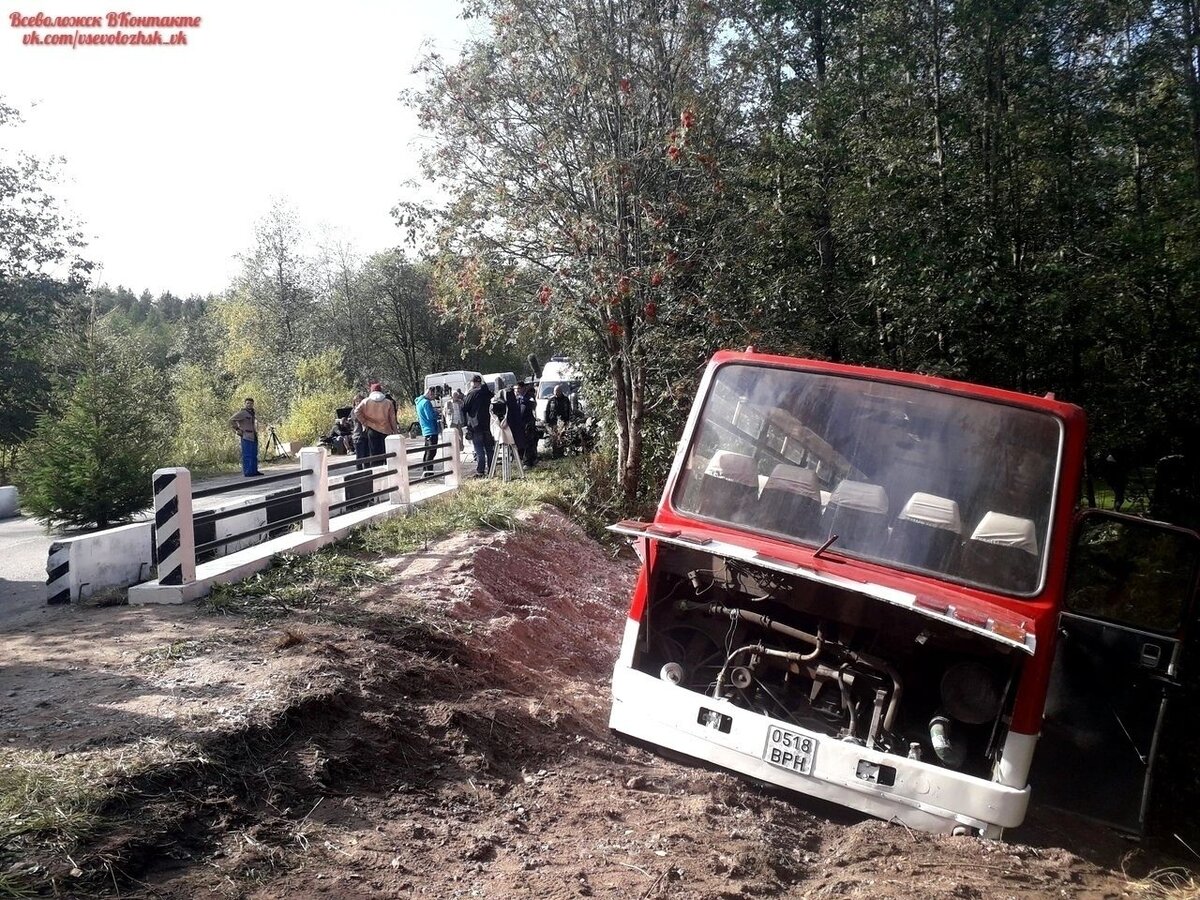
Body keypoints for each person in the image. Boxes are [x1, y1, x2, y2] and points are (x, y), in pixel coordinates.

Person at [353, 382, 397, 459]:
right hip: (386, 430)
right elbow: (392, 419)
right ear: (380, 391)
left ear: (371, 391)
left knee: (374, 453)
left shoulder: (365, 401)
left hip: (372, 429)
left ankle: (376, 465)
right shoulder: (388, 402)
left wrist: (364, 422)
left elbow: (356, 411)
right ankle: (386, 466)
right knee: (386, 453)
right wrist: (395, 431)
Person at [462, 374, 495, 477]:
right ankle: (491, 469)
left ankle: (480, 471)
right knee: (489, 449)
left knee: (479, 449)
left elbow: (464, 407)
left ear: (473, 383)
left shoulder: (472, 393)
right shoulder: (489, 393)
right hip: (488, 425)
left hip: (475, 425)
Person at [229, 397, 263, 477]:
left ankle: (254, 471)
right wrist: (237, 429)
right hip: (246, 436)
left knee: (254, 454)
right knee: (247, 454)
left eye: (251, 403)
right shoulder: (243, 413)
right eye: (247, 403)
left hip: (253, 435)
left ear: (253, 404)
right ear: (245, 404)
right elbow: (231, 420)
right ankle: (248, 472)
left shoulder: (252, 413)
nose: (249, 405)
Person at [415, 386, 443, 478]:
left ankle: (426, 472)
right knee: (431, 453)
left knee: (427, 452)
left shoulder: (419, 402)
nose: (434, 398)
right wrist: (437, 412)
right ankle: (429, 473)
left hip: (425, 430)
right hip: (431, 429)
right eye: (434, 395)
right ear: (430, 393)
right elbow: (430, 416)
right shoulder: (426, 403)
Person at [545, 384, 573, 458]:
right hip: (553, 421)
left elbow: (569, 410)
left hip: (563, 421)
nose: (556, 393)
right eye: (555, 391)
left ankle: (561, 453)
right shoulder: (551, 400)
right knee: (554, 438)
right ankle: (555, 454)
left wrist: (568, 420)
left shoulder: (566, 399)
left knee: (562, 437)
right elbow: (547, 410)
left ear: (560, 391)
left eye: (557, 391)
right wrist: (547, 421)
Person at [521, 382, 539, 469]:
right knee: (528, 443)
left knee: (529, 443)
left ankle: (528, 461)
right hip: (523, 424)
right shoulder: (520, 398)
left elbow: (533, 406)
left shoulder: (528, 398)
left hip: (529, 424)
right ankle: (531, 460)